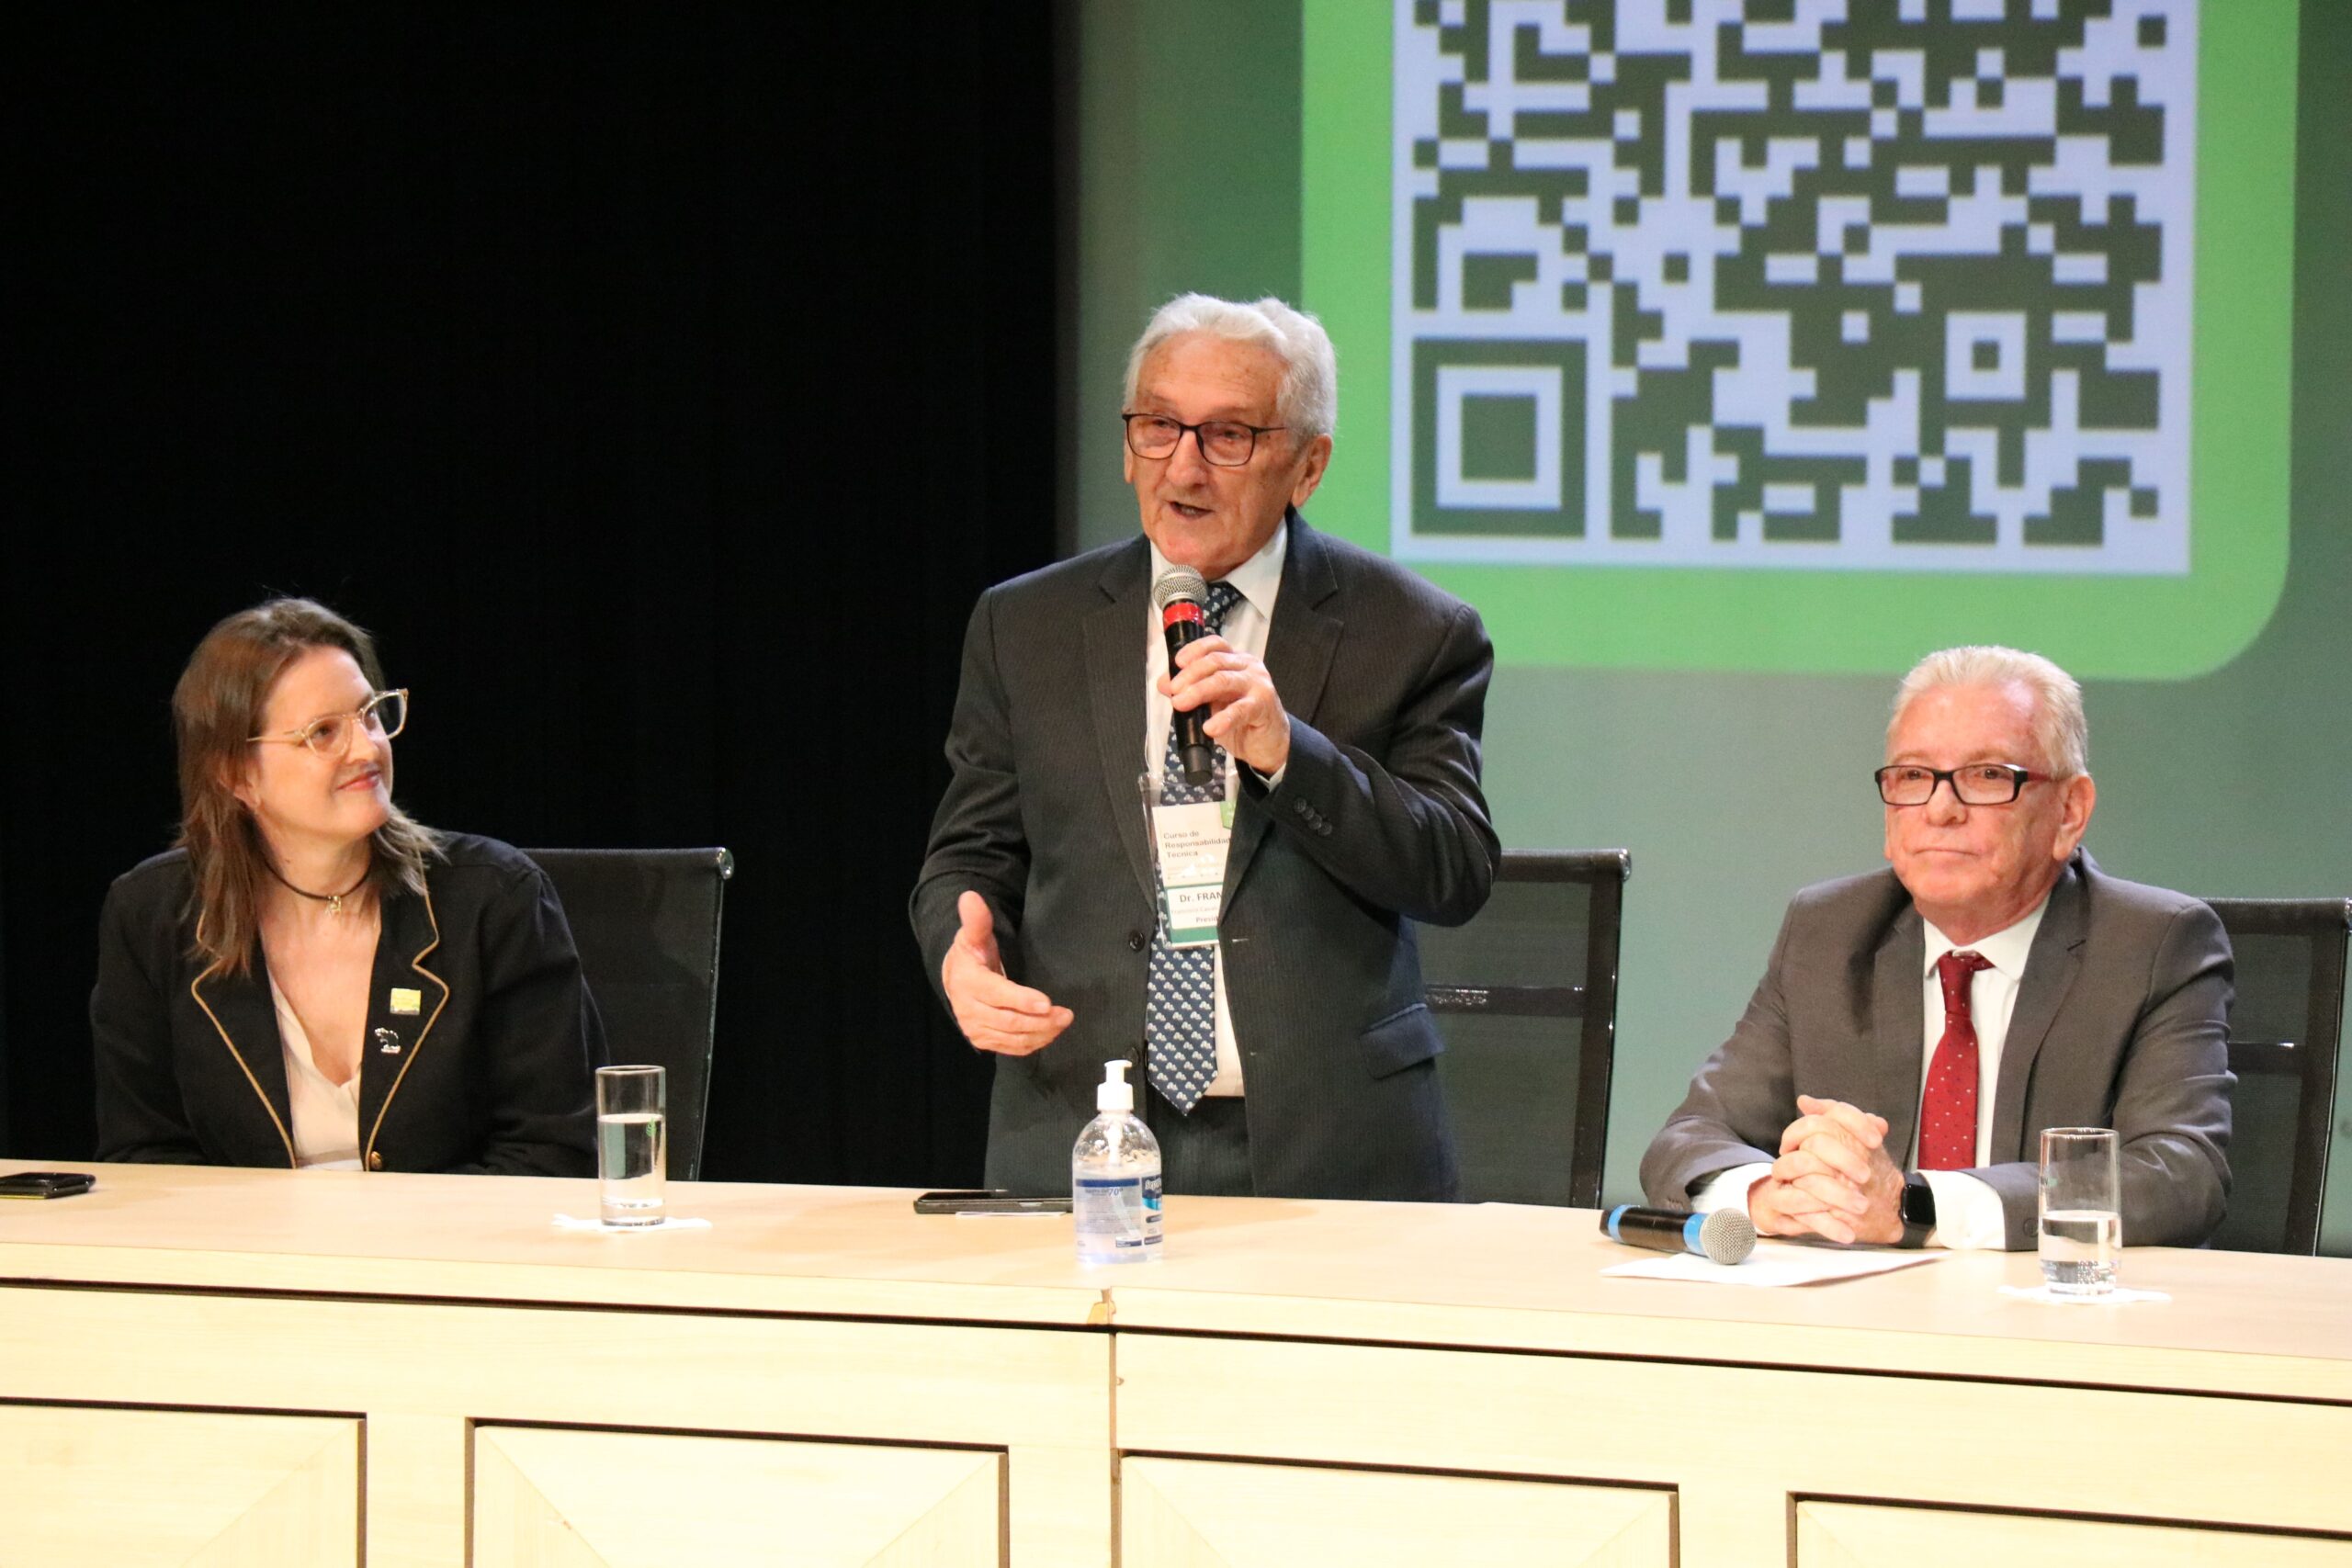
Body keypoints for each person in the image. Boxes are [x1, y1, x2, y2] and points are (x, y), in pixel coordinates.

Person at [910, 293, 1498, 1200]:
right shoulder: (1025, 625)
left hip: (1327, 1150)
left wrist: (1286, 752)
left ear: (1307, 467)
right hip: (1085, 1128)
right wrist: (960, 951)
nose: (1183, 466)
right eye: (1158, 427)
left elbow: (1452, 869)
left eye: (1227, 436)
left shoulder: (1411, 632)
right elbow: (969, 857)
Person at [1641, 646, 2233, 1250]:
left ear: (2069, 813)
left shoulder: (2154, 945)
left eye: (1986, 776)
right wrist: (1773, 1193)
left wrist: (1915, 1208)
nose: (1940, 809)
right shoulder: (1828, 932)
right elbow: (1691, 1138)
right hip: (1857, 1321)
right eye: (1914, 777)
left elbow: (2182, 1174)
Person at [92, 598, 599, 1174]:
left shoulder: (495, 898)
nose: (366, 748)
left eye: (370, 715)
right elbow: (145, 1159)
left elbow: (555, 1153)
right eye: (323, 732)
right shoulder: (154, 915)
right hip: (242, 1260)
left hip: (456, 1257)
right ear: (234, 774)